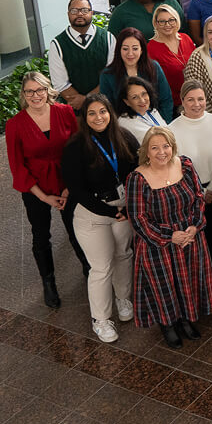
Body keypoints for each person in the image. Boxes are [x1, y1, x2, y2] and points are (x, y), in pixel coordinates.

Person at [127, 125, 212, 347]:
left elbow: (198, 197)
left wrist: (195, 227)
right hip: (158, 245)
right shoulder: (137, 178)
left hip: (189, 237)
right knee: (164, 287)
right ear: (146, 152)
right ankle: (168, 324)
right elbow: (138, 219)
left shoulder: (185, 165)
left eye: (166, 146)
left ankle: (186, 319)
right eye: (155, 147)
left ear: (173, 147)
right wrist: (169, 236)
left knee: (188, 281)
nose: (162, 152)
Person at [7, 72, 89, 308]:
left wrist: (67, 189)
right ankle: (49, 283)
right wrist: (44, 197)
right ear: (23, 95)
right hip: (36, 189)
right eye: (30, 91)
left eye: (40, 90)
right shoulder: (15, 125)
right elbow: (17, 166)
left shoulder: (64, 112)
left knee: (77, 229)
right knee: (41, 235)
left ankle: (88, 267)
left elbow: (77, 151)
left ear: (48, 90)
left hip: (68, 183)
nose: (35, 95)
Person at [62, 94, 137, 342]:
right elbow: (77, 190)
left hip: (123, 208)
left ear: (110, 113)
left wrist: (129, 208)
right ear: (84, 117)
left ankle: (123, 298)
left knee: (124, 255)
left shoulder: (124, 137)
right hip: (93, 213)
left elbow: (139, 170)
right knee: (102, 267)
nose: (98, 117)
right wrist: (110, 212)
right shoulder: (76, 147)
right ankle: (101, 320)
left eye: (102, 111)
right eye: (91, 113)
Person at [168, 81, 212, 294]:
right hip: (190, 194)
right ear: (182, 101)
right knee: (199, 240)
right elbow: (174, 166)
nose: (196, 104)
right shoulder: (172, 129)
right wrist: (202, 192)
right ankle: (203, 281)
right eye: (190, 100)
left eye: (200, 99)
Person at [49, 0, 116, 111]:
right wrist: (81, 104)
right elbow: (60, 84)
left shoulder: (108, 39)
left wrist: (87, 100)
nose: (79, 14)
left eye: (84, 10)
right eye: (74, 10)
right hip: (75, 110)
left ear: (92, 12)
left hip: (106, 107)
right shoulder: (57, 44)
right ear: (68, 14)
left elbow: (111, 75)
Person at [100, 28, 175, 122]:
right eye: (125, 49)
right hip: (123, 126)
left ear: (142, 50)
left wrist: (163, 126)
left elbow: (166, 100)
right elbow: (108, 108)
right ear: (118, 50)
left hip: (155, 122)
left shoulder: (154, 67)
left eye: (135, 48)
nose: (130, 53)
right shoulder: (107, 75)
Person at [147, 3, 195, 99]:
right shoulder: (151, 47)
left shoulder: (186, 38)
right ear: (156, 23)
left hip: (194, 95)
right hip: (172, 100)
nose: (167, 25)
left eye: (171, 20)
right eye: (162, 21)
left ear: (177, 21)